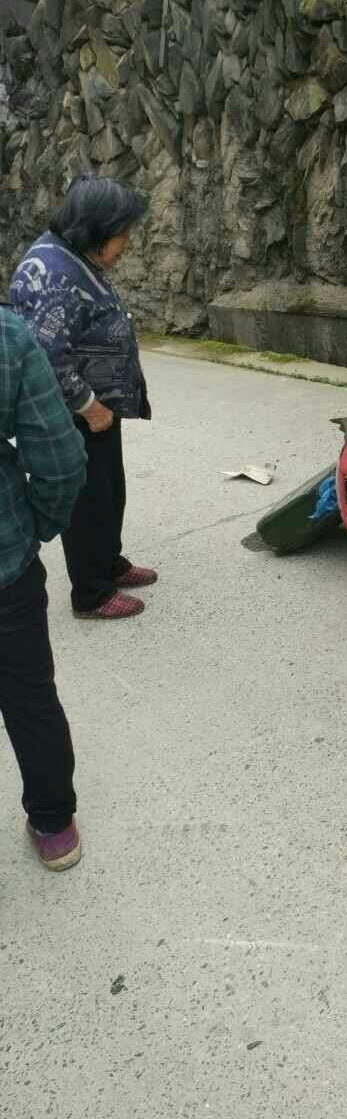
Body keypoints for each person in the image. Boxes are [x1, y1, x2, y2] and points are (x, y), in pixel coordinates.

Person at [11, 175, 156, 620]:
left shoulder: (72, 256)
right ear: (95, 228)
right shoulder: (53, 271)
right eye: (122, 234)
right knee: (87, 499)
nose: (126, 243)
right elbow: (46, 357)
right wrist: (88, 406)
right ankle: (91, 593)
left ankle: (108, 563)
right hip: (76, 411)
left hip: (98, 410)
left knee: (109, 490)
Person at [0, 305, 87, 869]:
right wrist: (38, 526)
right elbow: (59, 458)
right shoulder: (7, 334)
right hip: (4, 564)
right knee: (30, 695)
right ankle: (55, 824)